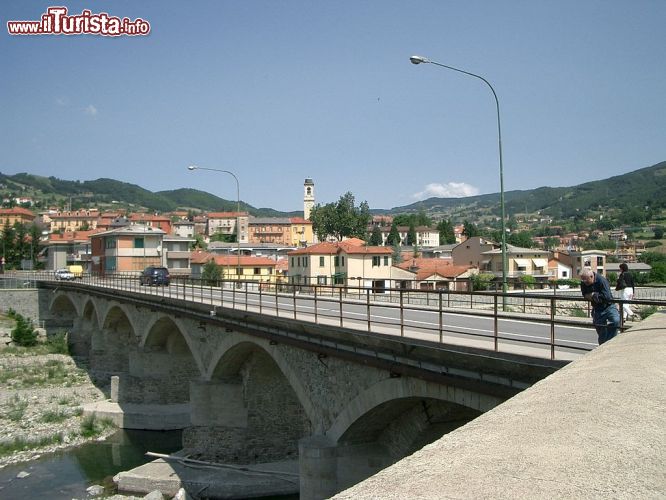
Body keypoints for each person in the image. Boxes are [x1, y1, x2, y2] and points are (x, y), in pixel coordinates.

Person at [580, 268, 620, 345]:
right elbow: (584, 295)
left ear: (591, 276)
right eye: (583, 280)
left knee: (616, 321)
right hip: (597, 308)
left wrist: (594, 295)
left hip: (608, 306)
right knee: (601, 330)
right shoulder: (583, 282)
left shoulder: (602, 281)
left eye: (586, 280)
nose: (584, 282)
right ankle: (603, 346)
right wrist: (592, 296)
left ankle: (609, 342)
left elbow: (607, 297)